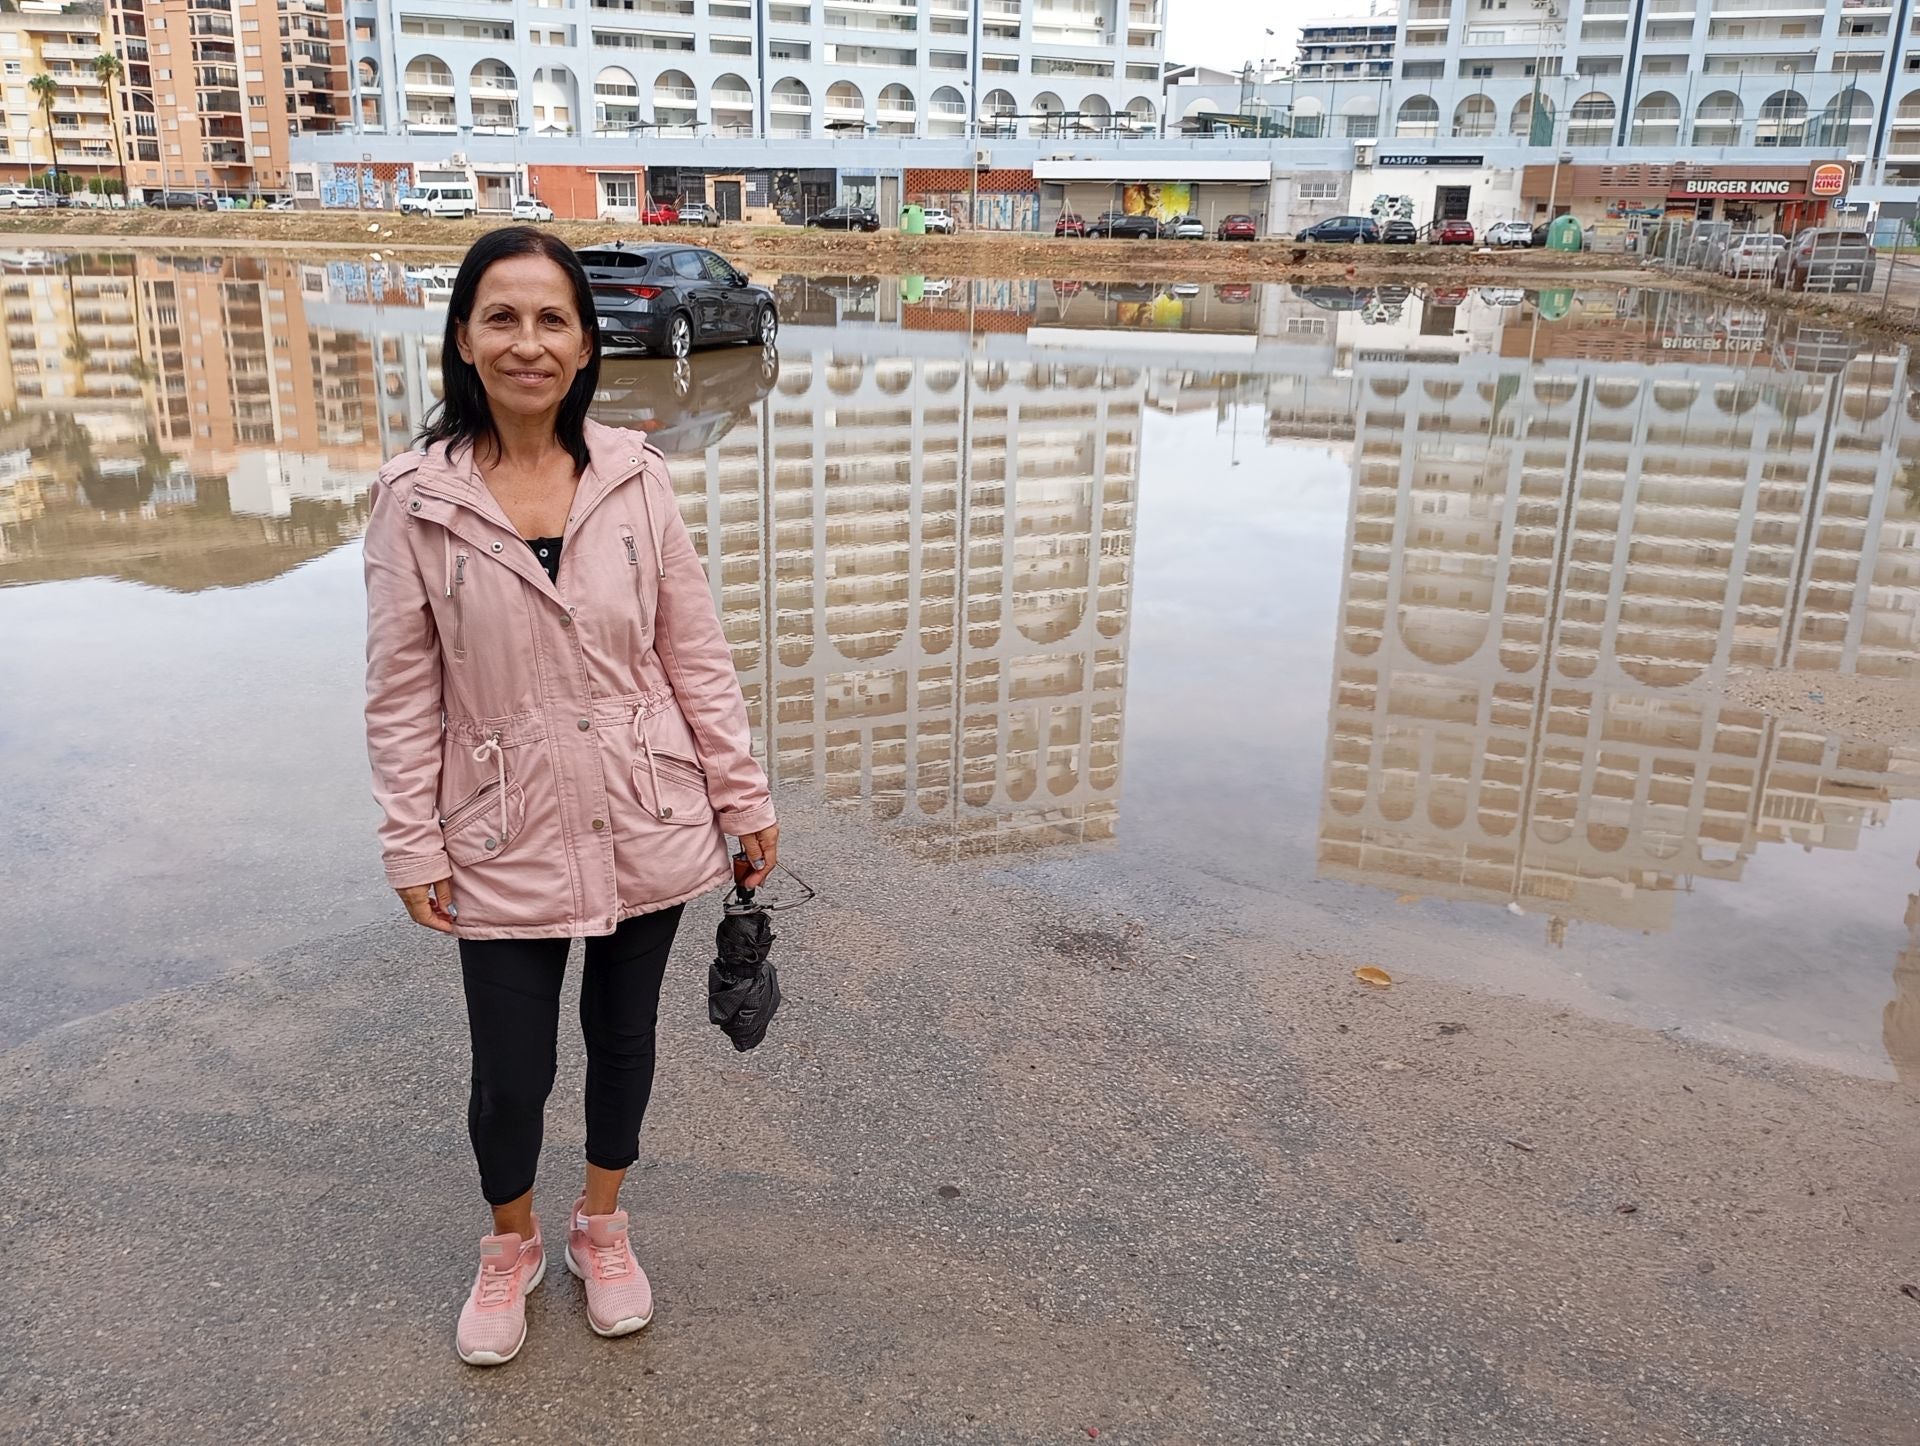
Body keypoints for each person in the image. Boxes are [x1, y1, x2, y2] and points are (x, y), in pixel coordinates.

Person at [362, 226, 779, 1367]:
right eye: (502, 317)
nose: (528, 343)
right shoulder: (415, 499)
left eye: (553, 319)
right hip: (498, 823)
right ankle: (512, 1246)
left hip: (646, 808)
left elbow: (695, 653)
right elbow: (401, 693)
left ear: (587, 341)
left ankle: (604, 1224)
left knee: (623, 1038)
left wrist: (742, 796)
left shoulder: (637, 475)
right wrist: (412, 841)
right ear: (463, 337)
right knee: (512, 1070)